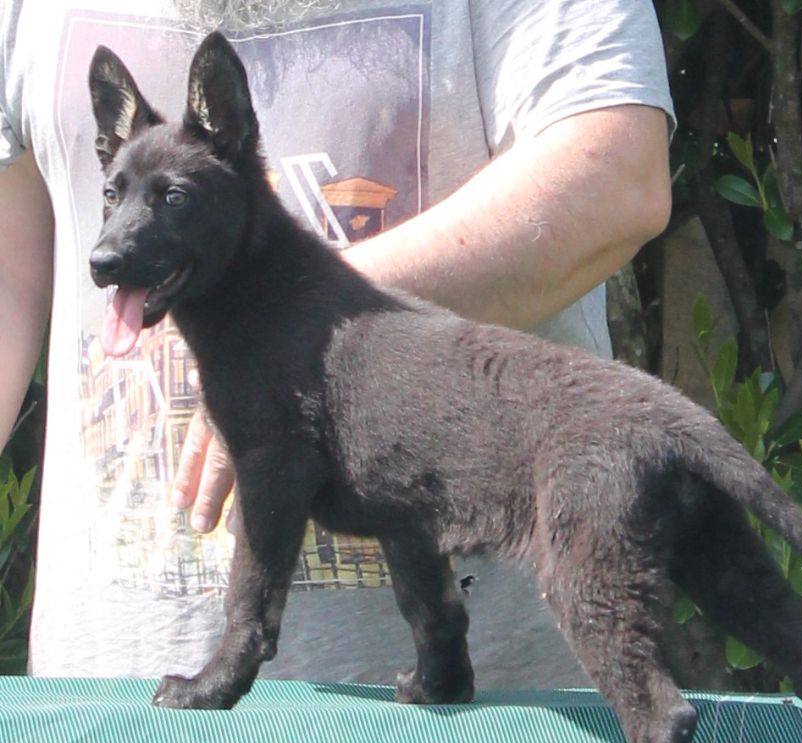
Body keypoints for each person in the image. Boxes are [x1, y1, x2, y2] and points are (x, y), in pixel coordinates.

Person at [0, 0, 673, 688]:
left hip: (487, 712)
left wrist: (288, 347)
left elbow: (617, 178)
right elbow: (10, 274)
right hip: (107, 691)